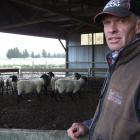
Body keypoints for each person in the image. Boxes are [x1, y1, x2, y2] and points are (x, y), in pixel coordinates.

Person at [67, 0, 140, 140]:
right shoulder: (118, 62)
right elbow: (118, 115)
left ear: (138, 26)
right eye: (107, 22)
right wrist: (89, 125)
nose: (111, 29)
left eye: (121, 20)